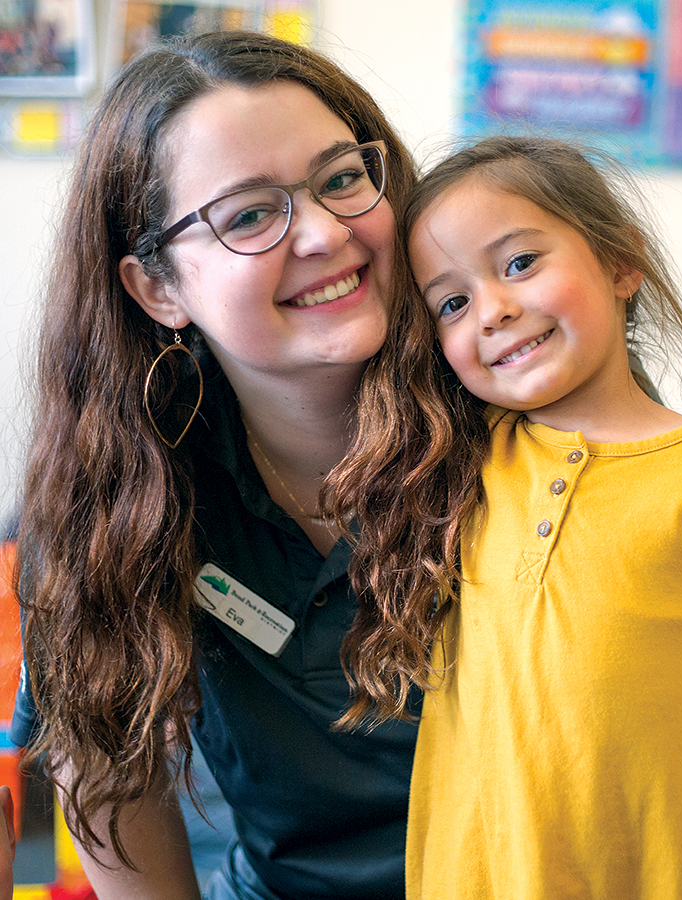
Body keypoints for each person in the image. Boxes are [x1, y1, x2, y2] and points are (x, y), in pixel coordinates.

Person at [325, 136, 682, 899]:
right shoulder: (457, 466)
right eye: (452, 302)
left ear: (619, 263)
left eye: (519, 263)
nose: (494, 311)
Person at [12, 30, 421, 900]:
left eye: (342, 178)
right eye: (247, 215)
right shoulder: (118, 484)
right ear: (158, 288)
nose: (322, 233)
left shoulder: (528, 414)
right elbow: (101, 768)